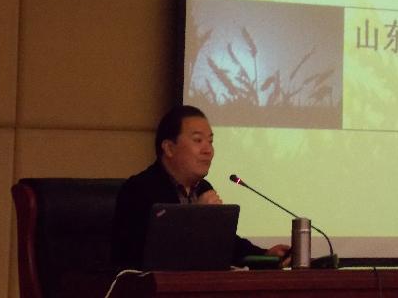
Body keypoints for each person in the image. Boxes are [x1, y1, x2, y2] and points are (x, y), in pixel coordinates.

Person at [110, 105, 290, 269]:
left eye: (210, 141)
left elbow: (225, 243)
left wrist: (265, 255)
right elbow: (148, 255)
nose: (208, 150)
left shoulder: (203, 187)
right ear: (169, 148)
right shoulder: (138, 190)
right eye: (198, 140)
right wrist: (197, 218)